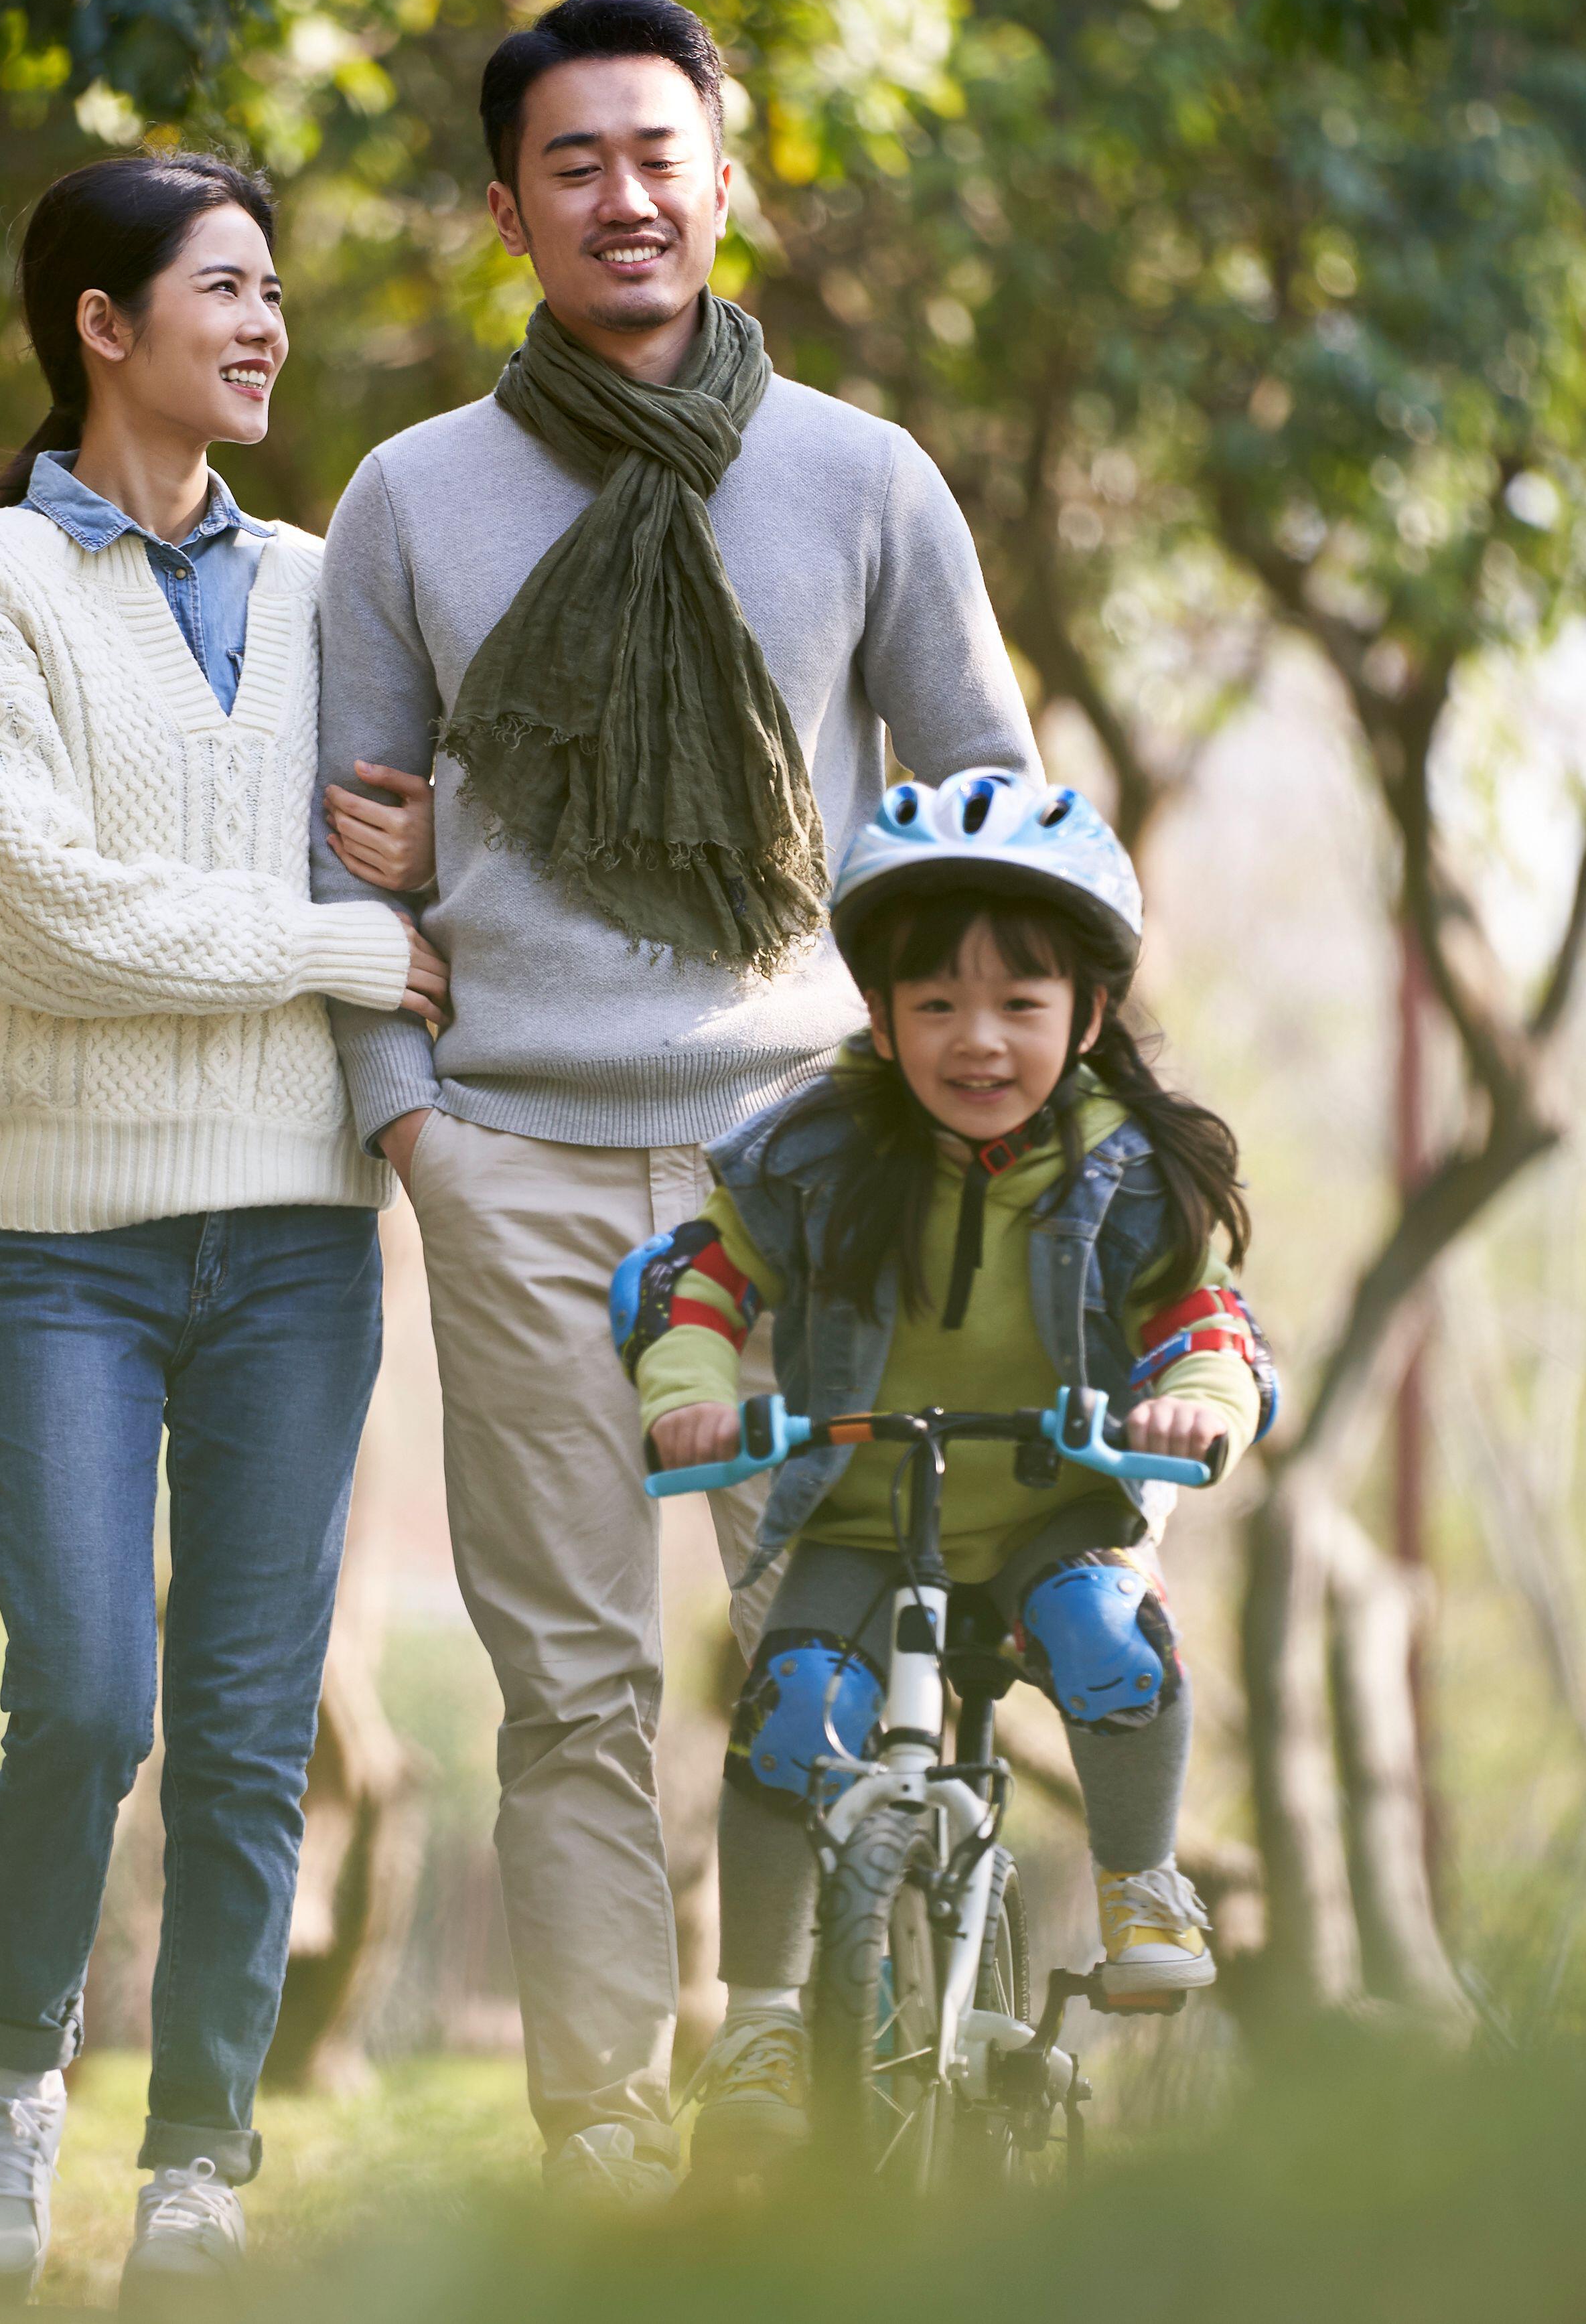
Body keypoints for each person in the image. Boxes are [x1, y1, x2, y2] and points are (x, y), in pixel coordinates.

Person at [311, 0, 1036, 2203]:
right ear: (506, 208)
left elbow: (987, 804)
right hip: (511, 1153)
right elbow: (329, 856)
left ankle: (787, 2056)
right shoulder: (412, 495)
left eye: (659, 153)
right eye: (570, 164)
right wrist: (405, 1121)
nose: (622, 196)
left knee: (808, 1641)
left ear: (728, 178)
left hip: (795, 1154)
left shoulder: (861, 477)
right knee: (570, 1683)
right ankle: (604, 2125)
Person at [0, 151, 445, 2307]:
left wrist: (411, 871)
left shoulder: (327, 582)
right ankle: (14, 2092)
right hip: (67, 1240)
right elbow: (36, 909)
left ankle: (196, 2162)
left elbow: (425, 843)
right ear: (102, 326)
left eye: (274, 289)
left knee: (244, 1719)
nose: (269, 324)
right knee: (85, 1695)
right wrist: (337, 944)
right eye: (225, 288)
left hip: (298, 1234)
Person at [618, 770, 1277, 2176]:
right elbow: (694, 1285)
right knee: (790, 1708)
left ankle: (1140, 1881)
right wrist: (684, 1397)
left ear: (1088, 1017)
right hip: (865, 1514)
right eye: (936, 1005)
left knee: (1116, 1636)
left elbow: (1208, 1329)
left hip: (1051, 1514)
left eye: (1020, 1006)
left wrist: (1196, 1409)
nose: (977, 1040)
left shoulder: (1132, 1174)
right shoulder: (820, 1149)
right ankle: (766, 2017)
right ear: (881, 1015)